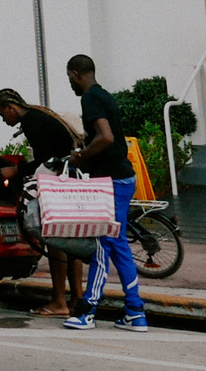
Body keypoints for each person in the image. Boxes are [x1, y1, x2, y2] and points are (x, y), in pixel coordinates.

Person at [65, 53, 147, 332]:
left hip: (110, 181)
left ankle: (88, 310)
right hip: (122, 178)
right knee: (117, 244)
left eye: (69, 78)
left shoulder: (89, 99)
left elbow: (107, 137)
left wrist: (81, 156)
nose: (70, 85)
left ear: (76, 74)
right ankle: (135, 311)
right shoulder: (104, 96)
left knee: (103, 244)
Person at [0, 87, 85, 319]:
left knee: (55, 241)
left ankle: (58, 302)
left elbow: (45, 160)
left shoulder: (32, 121)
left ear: (10, 107)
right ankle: (77, 300)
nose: (5, 121)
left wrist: (14, 171)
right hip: (71, 180)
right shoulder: (40, 115)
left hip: (57, 185)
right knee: (72, 243)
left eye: (3, 115)